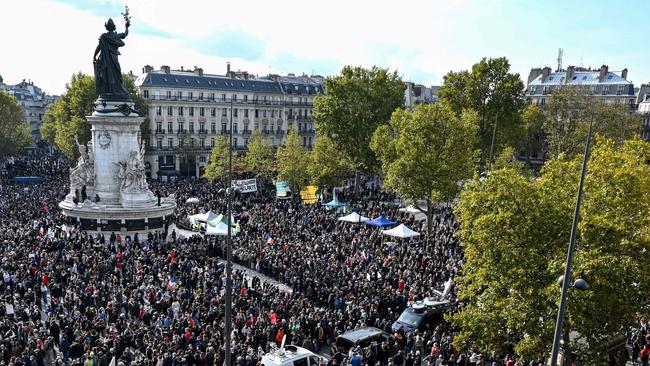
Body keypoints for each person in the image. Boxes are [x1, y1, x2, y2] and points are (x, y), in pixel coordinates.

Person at [93, 17, 130, 96]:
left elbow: (98, 47)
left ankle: (112, 90)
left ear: (107, 27)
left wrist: (94, 56)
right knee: (117, 73)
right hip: (113, 58)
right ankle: (116, 90)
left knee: (109, 74)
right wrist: (126, 27)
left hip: (106, 59)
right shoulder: (115, 36)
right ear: (114, 27)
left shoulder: (104, 36)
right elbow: (125, 34)